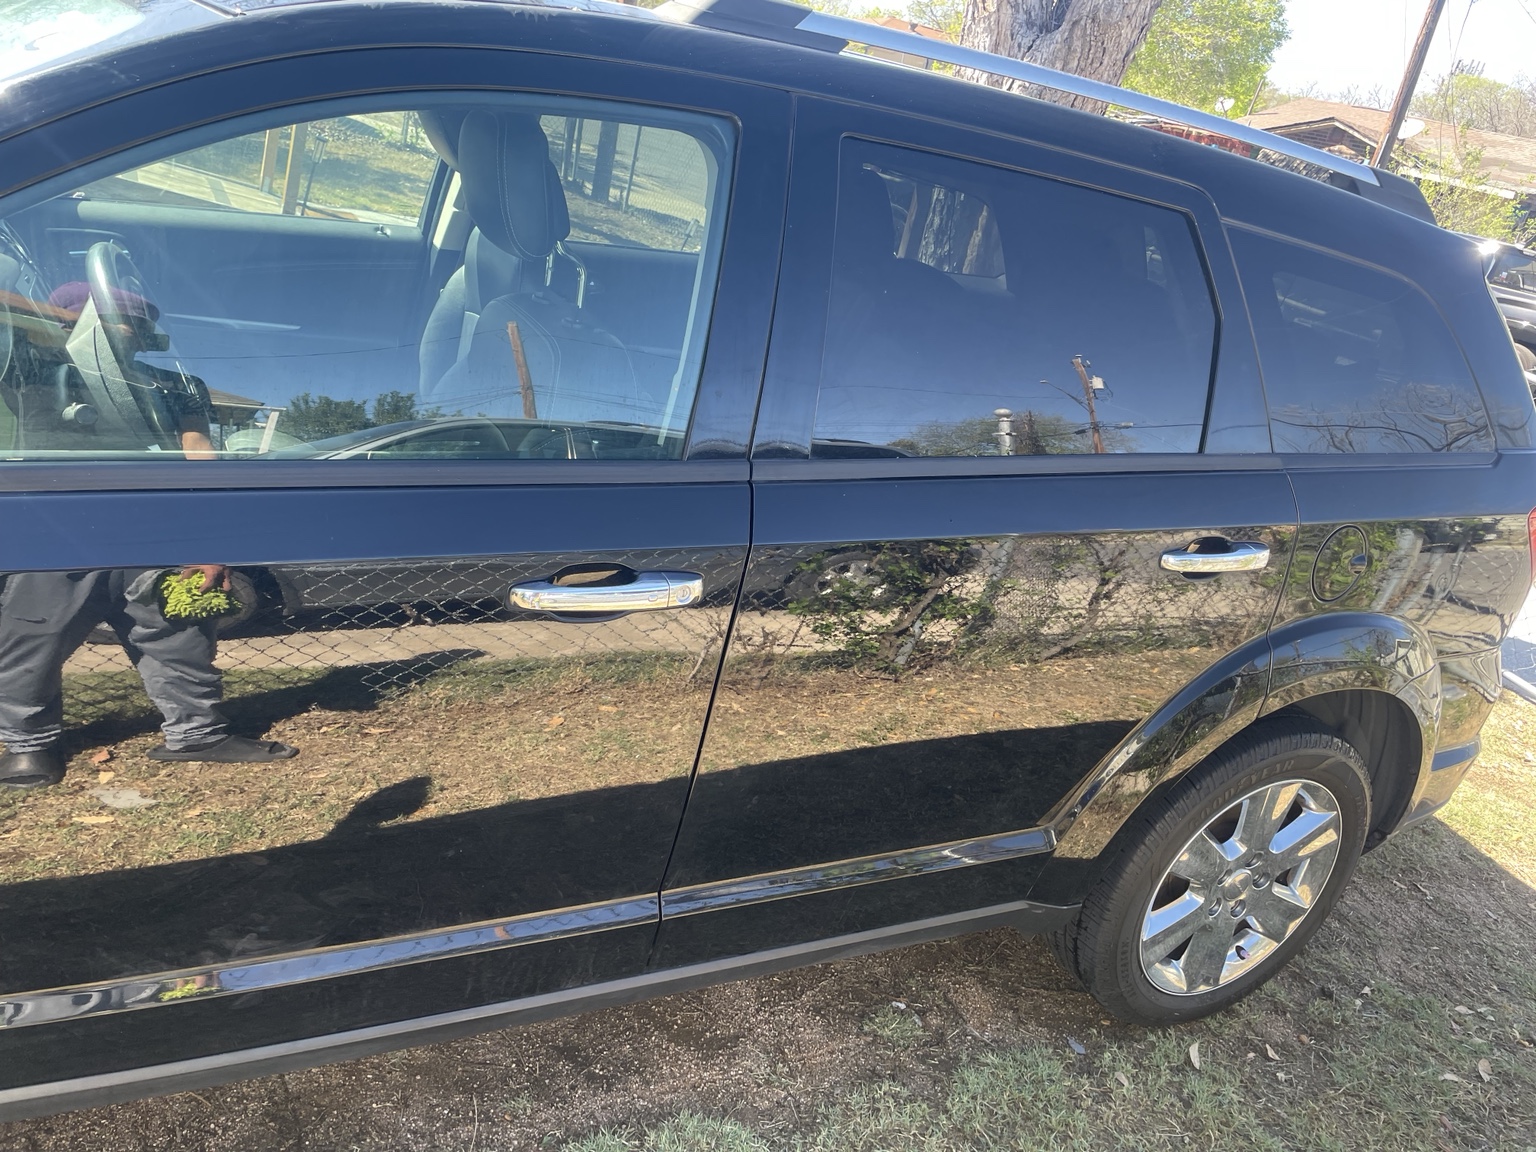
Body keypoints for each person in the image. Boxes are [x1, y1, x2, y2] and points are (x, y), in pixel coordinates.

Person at [0, 281, 297, 789]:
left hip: (155, 535)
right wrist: (53, 319)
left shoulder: (173, 384)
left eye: (141, 322)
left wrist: (209, 543)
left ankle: (197, 734)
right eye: (118, 318)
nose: (135, 331)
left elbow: (199, 459)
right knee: (32, 641)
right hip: (52, 532)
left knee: (178, 637)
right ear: (66, 320)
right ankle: (29, 745)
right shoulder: (21, 368)